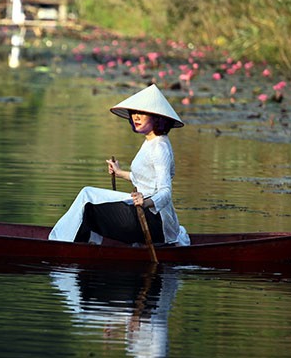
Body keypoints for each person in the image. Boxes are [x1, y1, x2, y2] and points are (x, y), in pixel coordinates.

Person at [48, 84, 190, 246]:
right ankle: (78, 243)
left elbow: (165, 192)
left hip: (155, 220)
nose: (136, 117)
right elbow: (144, 179)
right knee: (88, 200)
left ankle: (59, 243)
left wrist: (145, 202)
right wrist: (119, 172)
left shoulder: (160, 147)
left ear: (156, 118)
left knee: (87, 197)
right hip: (142, 209)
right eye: (134, 113)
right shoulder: (150, 141)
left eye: (142, 113)